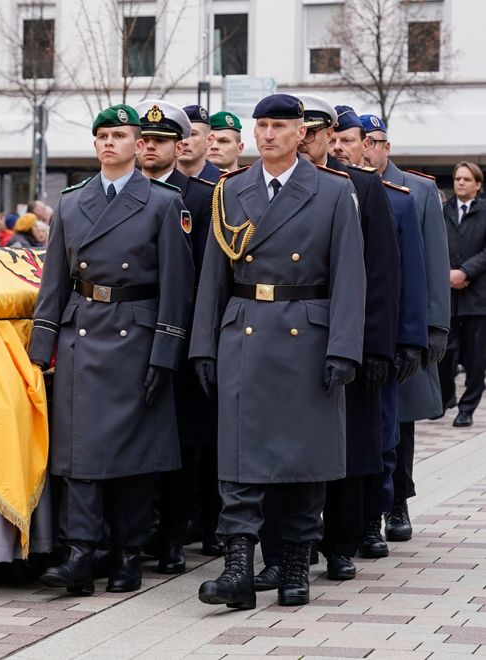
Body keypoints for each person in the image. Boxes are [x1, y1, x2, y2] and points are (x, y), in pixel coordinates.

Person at [191, 94, 366, 609]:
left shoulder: (332, 192)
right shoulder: (232, 190)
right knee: (239, 460)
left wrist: (344, 349)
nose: (269, 135)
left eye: (279, 126)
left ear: (300, 133)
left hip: (307, 336)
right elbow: (211, 278)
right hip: (244, 330)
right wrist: (203, 344)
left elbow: (350, 278)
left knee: (304, 462)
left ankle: (293, 569)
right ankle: (238, 571)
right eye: (262, 126)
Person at [29, 104, 194, 596]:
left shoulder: (163, 203)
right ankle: (80, 552)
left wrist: (165, 354)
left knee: (134, 460)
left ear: (138, 143)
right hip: (84, 333)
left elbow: (177, 287)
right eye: (102, 135)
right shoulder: (73, 201)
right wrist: (41, 348)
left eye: (120, 135)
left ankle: (127, 554)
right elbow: (54, 282)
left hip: (137, 336)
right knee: (78, 455)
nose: (109, 143)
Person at [254, 96, 402, 587]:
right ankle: (285, 550)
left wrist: (374, 345)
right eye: (312, 133)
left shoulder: (357, 186)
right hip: (291, 338)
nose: (319, 142)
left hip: (345, 337)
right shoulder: (267, 190)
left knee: (347, 447)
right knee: (284, 447)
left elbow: (377, 273)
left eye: (322, 133)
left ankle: (341, 542)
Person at [132, 98, 220, 571]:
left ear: (180, 144)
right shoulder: (122, 192)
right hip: (129, 333)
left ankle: (172, 536)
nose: (150, 149)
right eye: (144, 141)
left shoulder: (204, 195)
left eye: (162, 141)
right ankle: (140, 529)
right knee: (135, 434)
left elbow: (205, 277)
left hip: (181, 332)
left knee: (182, 442)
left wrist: (197, 341)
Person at [360, 114, 450, 543]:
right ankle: (370, 507)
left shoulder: (418, 189)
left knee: (405, 420)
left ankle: (399, 501)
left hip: (406, 324)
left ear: (386, 146)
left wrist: (435, 326)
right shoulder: (346, 186)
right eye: (364, 141)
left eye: (376, 142)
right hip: (368, 326)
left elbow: (432, 263)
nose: (369, 149)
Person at [439, 161, 486, 427]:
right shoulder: (443, 211)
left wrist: (464, 272)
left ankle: (467, 408)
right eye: (457, 178)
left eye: (467, 179)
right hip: (447, 296)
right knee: (444, 354)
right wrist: (446, 273)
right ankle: (447, 397)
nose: (460, 183)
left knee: (475, 359)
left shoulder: (484, 211)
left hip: (476, 298)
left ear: (477, 185)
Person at [179, 105, 221, 182]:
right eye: (181, 135)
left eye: (193, 134)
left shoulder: (224, 183)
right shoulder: (160, 179)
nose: (184, 142)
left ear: (209, 140)